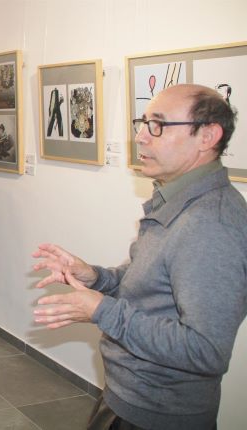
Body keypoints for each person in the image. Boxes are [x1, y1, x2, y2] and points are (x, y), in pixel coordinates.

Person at [32, 84, 247, 429]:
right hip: (128, 398)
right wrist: (95, 277)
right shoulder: (176, 200)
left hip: (157, 415)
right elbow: (147, 285)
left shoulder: (210, 226)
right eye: (142, 122)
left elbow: (205, 350)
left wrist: (101, 310)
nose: (141, 137)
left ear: (207, 136)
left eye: (158, 125)